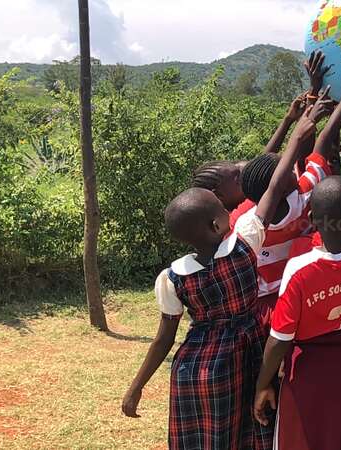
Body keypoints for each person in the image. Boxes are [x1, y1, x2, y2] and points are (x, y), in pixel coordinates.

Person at [120, 101, 326, 449]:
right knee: (252, 426)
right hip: (249, 353)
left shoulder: (171, 277)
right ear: (218, 222)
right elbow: (273, 186)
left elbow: (163, 340)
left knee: (211, 435)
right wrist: (299, 135)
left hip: (199, 370)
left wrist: (136, 386)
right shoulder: (245, 239)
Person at [253, 111, 341, 450]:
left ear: (313, 219)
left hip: (309, 366)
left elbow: (279, 340)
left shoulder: (300, 268)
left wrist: (262, 384)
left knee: (304, 436)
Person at [232, 86, 336, 332]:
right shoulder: (304, 197)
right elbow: (317, 151)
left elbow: (260, 177)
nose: (292, 171)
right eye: (287, 172)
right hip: (297, 295)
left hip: (263, 306)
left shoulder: (244, 220)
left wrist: (295, 119)